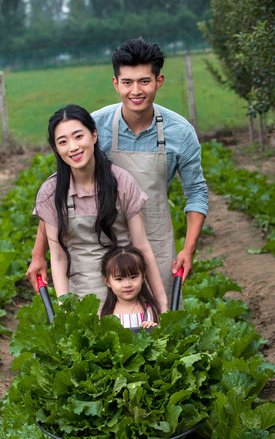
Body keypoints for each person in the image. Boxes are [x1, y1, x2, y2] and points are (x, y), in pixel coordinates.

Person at [27, 37, 208, 303]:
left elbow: (196, 193)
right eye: (127, 82)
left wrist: (188, 249)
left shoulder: (180, 132)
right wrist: (37, 253)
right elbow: (61, 188)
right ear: (116, 84)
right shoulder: (93, 126)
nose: (136, 91)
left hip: (154, 241)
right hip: (104, 241)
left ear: (158, 82)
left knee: (160, 321)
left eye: (144, 81)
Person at [33, 104, 168, 313]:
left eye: (79, 136)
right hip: (84, 295)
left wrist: (162, 303)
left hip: (126, 295)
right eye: (63, 142)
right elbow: (58, 258)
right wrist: (65, 307)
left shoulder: (121, 181)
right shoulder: (51, 192)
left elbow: (142, 247)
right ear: (56, 148)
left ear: (94, 135)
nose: (73, 147)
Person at [100, 245, 159, 329]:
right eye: (119, 279)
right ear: (107, 281)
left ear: (143, 276)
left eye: (133, 277)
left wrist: (154, 328)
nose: (127, 284)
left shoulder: (150, 311)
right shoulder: (104, 315)